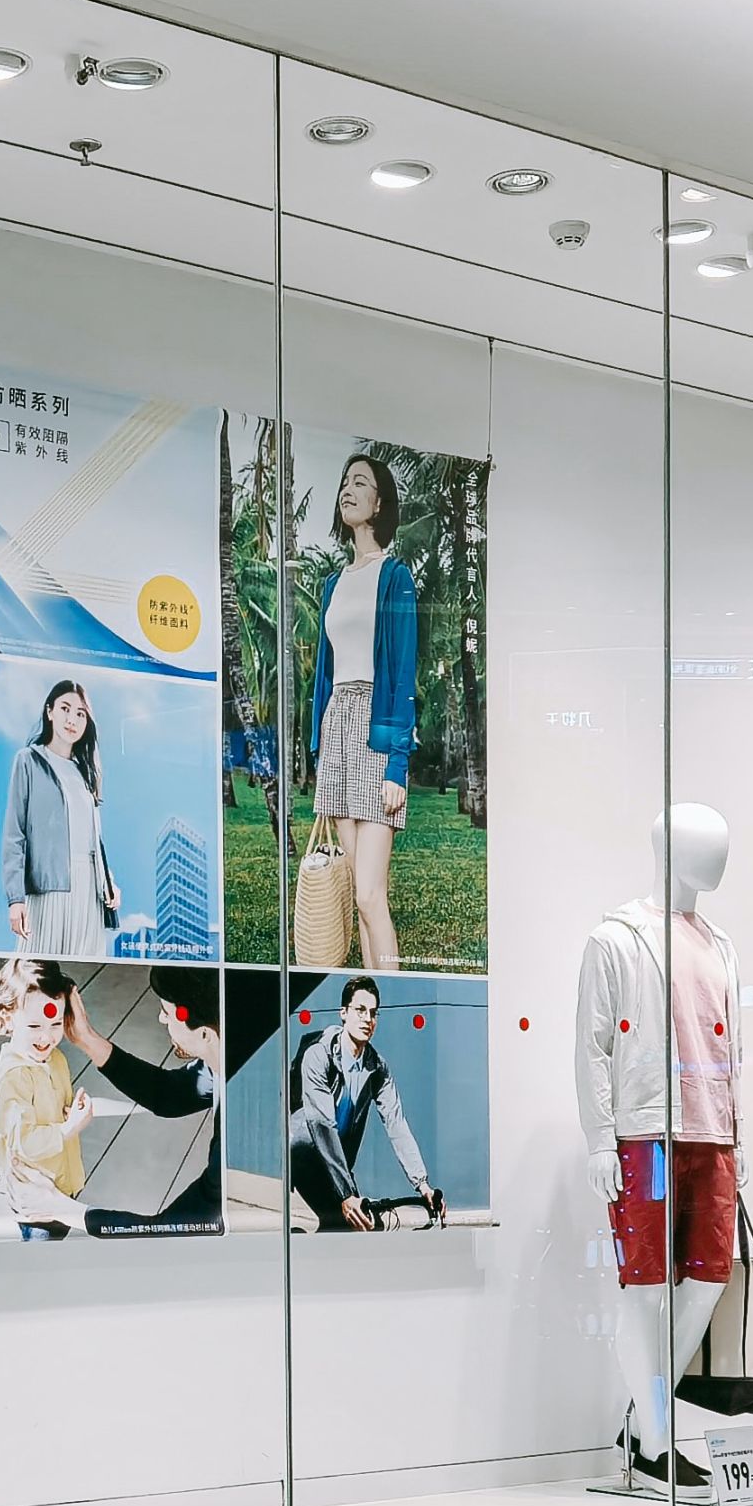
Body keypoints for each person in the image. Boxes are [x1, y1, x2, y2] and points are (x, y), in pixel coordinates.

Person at [309, 453, 420, 970]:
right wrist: (319, 746)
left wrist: (398, 763)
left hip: (376, 730)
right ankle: (373, 994)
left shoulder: (395, 577)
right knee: (358, 893)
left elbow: (402, 674)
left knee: (371, 895)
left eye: (361, 482)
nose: (348, 489)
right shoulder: (333, 583)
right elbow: (324, 675)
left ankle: (394, 999)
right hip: (338, 728)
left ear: (379, 503)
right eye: (344, 481)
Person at [57, 977, 225, 1235]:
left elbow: (170, 1230)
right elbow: (171, 1093)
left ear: (205, 1033)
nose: (161, 1019)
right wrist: (87, 1039)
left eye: (168, 1013)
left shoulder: (241, 1139)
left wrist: (60, 1210)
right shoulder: (236, 1054)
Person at [289, 975, 441, 1231]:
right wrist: (346, 1194)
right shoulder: (319, 1055)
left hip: (336, 1162)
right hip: (303, 1154)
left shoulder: (376, 1067)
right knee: (345, 1224)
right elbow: (322, 1125)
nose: (367, 1019)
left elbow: (397, 1125)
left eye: (373, 1013)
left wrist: (423, 1184)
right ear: (343, 1013)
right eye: (360, 1010)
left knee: (366, 1227)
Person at [0, 960, 99, 1237]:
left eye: (55, 1024)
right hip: (36, 1203)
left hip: (62, 1183)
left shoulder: (55, 1059)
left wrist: (67, 1113)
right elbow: (24, 1142)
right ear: (7, 1018)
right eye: (34, 1025)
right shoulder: (13, 1077)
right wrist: (69, 1127)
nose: (46, 1036)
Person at [0, 680, 121, 956]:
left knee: (84, 965)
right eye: (65, 708)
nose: (72, 719)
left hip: (90, 888)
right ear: (49, 711)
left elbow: (93, 838)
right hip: (49, 886)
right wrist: (15, 899)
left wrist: (109, 881)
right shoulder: (29, 760)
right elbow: (14, 834)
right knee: (38, 969)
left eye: (80, 713)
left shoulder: (86, 772)